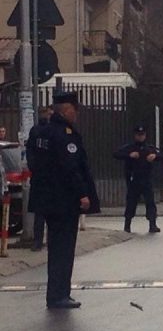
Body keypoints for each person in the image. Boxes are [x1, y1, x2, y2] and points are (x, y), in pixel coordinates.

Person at [28, 92, 100, 309]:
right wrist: (83, 194)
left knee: (55, 247)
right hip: (64, 200)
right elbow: (71, 167)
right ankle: (59, 295)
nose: (76, 114)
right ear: (67, 110)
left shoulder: (40, 132)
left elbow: (33, 162)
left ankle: (56, 293)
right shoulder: (64, 134)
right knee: (63, 249)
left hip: (46, 198)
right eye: (75, 110)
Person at [113, 126, 162, 233]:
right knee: (131, 202)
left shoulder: (149, 148)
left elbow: (162, 155)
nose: (140, 137)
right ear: (135, 135)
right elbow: (116, 154)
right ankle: (127, 225)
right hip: (134, 179)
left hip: (147, 179)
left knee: (150, 202)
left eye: (142, 135)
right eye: (138, 135)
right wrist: (129, 155)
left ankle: (152, 224)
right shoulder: (130, 147)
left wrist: (155, 156)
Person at [28, 106, 53, 251]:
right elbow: (30, 150)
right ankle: (41, 240)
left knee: (44, 213)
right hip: (43, 177)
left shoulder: (50, 131)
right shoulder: (37, 131)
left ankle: (42, 241)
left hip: (44, 177)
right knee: (42, 213)